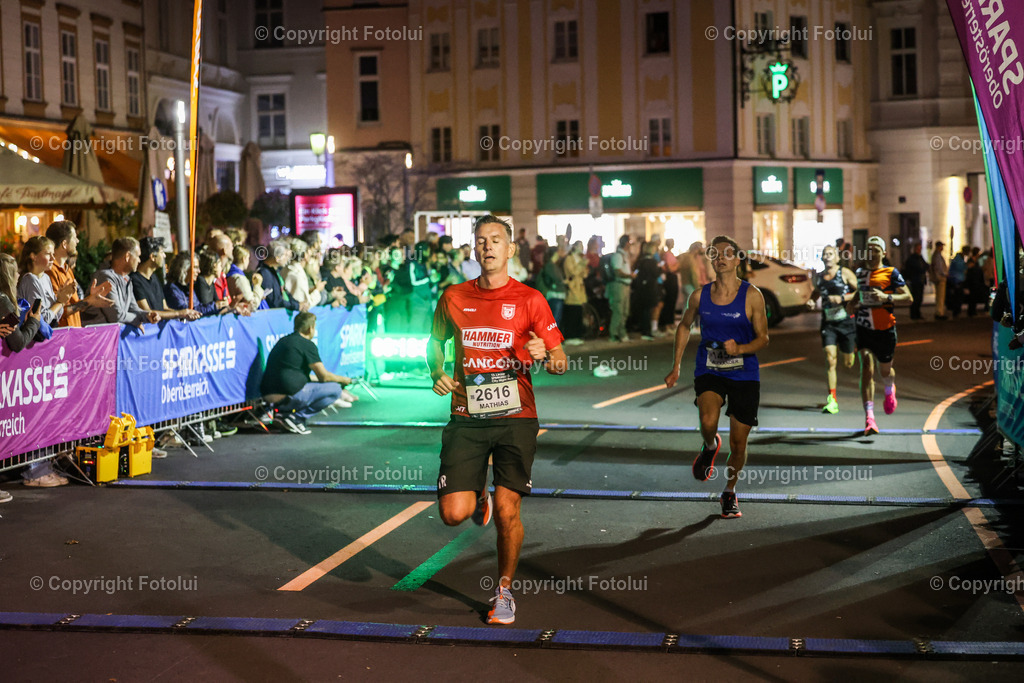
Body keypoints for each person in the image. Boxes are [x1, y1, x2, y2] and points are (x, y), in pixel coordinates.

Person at [427, 214, 567, 625]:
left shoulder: (530, 300)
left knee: (509, 512)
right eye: (481, 241)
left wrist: (547, 356)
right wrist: (437, 371)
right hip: (466, 415)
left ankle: (504, 592)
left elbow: (560, 360)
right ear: (474, 249)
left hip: (516, 416)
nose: (487, 246)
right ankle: (477, 495)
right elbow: (435, 344)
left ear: (510, 249)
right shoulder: (452, 296)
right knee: (453, 513)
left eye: (495, 240)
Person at [664, 235, 769, 519]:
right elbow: (684, 326)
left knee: (739, 443)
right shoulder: (699, 296)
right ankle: (710, 446)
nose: (720, 257)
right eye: (715, 253)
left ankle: (730, 491)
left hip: (745, 373)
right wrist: (676, 367)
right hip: (710, 368)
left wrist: (741, 348)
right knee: (708, 422)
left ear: (737, 260)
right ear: (711, 260)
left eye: (726, 253)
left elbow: (764, 338)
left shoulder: (752, 296)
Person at [0, 253, 61, 490]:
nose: (18, 278)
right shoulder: (4, 301)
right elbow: (18, 342)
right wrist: (34, 320)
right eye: (15, 273)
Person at [854, 236, 913, 435]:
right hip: (863, 329)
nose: (871, 253)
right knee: (866, 368)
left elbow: (908, 297)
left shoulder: (891, 273)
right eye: (868, 249)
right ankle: (869, 417)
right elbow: (855, 298)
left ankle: (889, 389)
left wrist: (886, 297)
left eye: (875, 249)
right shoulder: (860, 273)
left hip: (885, 330)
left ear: (883, 253)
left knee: (885, 371)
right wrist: (849, 306)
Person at [260, 311, 354, 434]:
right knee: (335, 389)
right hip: (287, 397)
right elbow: (324, 377)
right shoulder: (307, 345)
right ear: (310, 329)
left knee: (320, 387)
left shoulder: (283, 341)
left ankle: (285, 415)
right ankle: (297, 417)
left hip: (267, 396)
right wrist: (344, 380)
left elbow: (297, 374)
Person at [79, 237, 163, 331]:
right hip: (96, 340)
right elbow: (116, 316)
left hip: (109, 339)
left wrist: (147, 315)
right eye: (138, 256)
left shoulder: (127, 279)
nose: (139, 260)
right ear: (127, 256)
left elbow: (133, 308)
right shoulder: (105, 277)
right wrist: (138, 319)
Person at [813, 244, 859, 414]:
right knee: (830, 359)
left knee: (848, 363)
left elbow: (860, 291)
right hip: (829, 324)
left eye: (831, 254)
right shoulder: (819, 277)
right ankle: (832, 400)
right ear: (822, 258)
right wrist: (812, 301)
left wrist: (842, 298)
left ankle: (850, 349)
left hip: (846, 323)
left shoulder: (845, 273)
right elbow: (816, 293)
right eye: (825, 254)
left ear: (838, 258)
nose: (827, 257)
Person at [131, 237, 200, 321]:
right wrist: (179, 313)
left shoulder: (154, 278)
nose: (164, 256)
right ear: (152, 257)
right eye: (162, 252)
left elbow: (164, 308)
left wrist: (184, 314)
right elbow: (147, 312)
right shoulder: (135, 280)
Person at [17, 236, 76, 328]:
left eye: (53, 254)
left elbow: (55, 317)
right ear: (34, 256)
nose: (53, 258)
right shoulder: (30, 280)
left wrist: (61, 299)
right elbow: (41, 320)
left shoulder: (45, 277)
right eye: (48, 254)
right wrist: (60, 302)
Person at [607, 234, 636, 342]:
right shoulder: (618, 255)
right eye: (629, 242)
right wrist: (629, 275)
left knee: (625, 311)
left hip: (625, 286)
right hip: (619, 285)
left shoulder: (624, 255)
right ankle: (614, 334)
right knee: (618, 311)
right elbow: (617, 272)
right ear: (625, 243)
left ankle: (621, 333)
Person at [633, 241, 663, 340]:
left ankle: (644, 330)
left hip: (641, 288)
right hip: (650, 288)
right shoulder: (652, 262)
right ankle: (647, 332)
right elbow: (656, 273)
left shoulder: (640, 261)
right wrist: (660, 268)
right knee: (648, 309)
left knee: (644, 309)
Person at [561, 240, 588, 344]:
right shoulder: (569, 258)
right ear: (575, 247)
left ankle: (577, 335)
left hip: (580, 287)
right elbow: (573, 272)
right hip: (572, 288)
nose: (582, 248)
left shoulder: (580, 258)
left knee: (578, 312)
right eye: (580, 246)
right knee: (572, 312)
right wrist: (581, 265)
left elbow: (584, 274)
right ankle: (570, 336)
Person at [902, 242, 928, 320]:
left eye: (920, 249)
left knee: (919, 298)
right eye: (918, 249)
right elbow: (917, 268)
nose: (919, 250)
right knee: (916, 298)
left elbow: (925, 265)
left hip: (920, 280)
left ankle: (917, 313)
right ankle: (914, 314)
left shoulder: (920, 257)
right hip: (915, 280)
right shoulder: (912, 258)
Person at [658, 238, 680, 331]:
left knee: (673, 300)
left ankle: (671, 322)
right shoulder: (667, 254)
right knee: (669, 300)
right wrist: (677, 265)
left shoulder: (671, 254)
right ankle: (667, 323)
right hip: (670, 278)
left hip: (673, 278)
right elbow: (670, 268)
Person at [947, 245, 970, 318]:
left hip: (957, 279)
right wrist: (966, 267)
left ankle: (957, 311)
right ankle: (956, 312)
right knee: (958, 297)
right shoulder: (958, 259)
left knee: (958, 296)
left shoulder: (958, 258)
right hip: (957, 280)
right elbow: (961, 268)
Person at [929, 241, 948, 320]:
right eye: (941, 246)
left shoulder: (935, 255)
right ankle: (940, 313)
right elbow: (939, 267)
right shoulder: (937, 256)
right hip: (940, 278)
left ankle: (939, 312)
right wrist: (945, 273)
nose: (942, 248)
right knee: (940, 296)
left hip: (938, 277)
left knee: (939, 296)